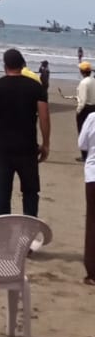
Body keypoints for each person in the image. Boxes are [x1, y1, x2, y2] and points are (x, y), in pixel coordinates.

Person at [0, 48, 50, 217]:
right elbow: (44, 117)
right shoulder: (36, 87)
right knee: (30, 192)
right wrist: (46, 143)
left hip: (4, 147)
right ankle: (29, 227)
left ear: (5, 66)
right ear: (22, 65)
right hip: (27, 147)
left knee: (3, 193)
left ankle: (3, 228)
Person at [77, 111, 95, 285]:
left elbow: (82, 143)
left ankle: (92, 272)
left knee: (92, 223)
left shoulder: (92, 118)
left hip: (93, 175)